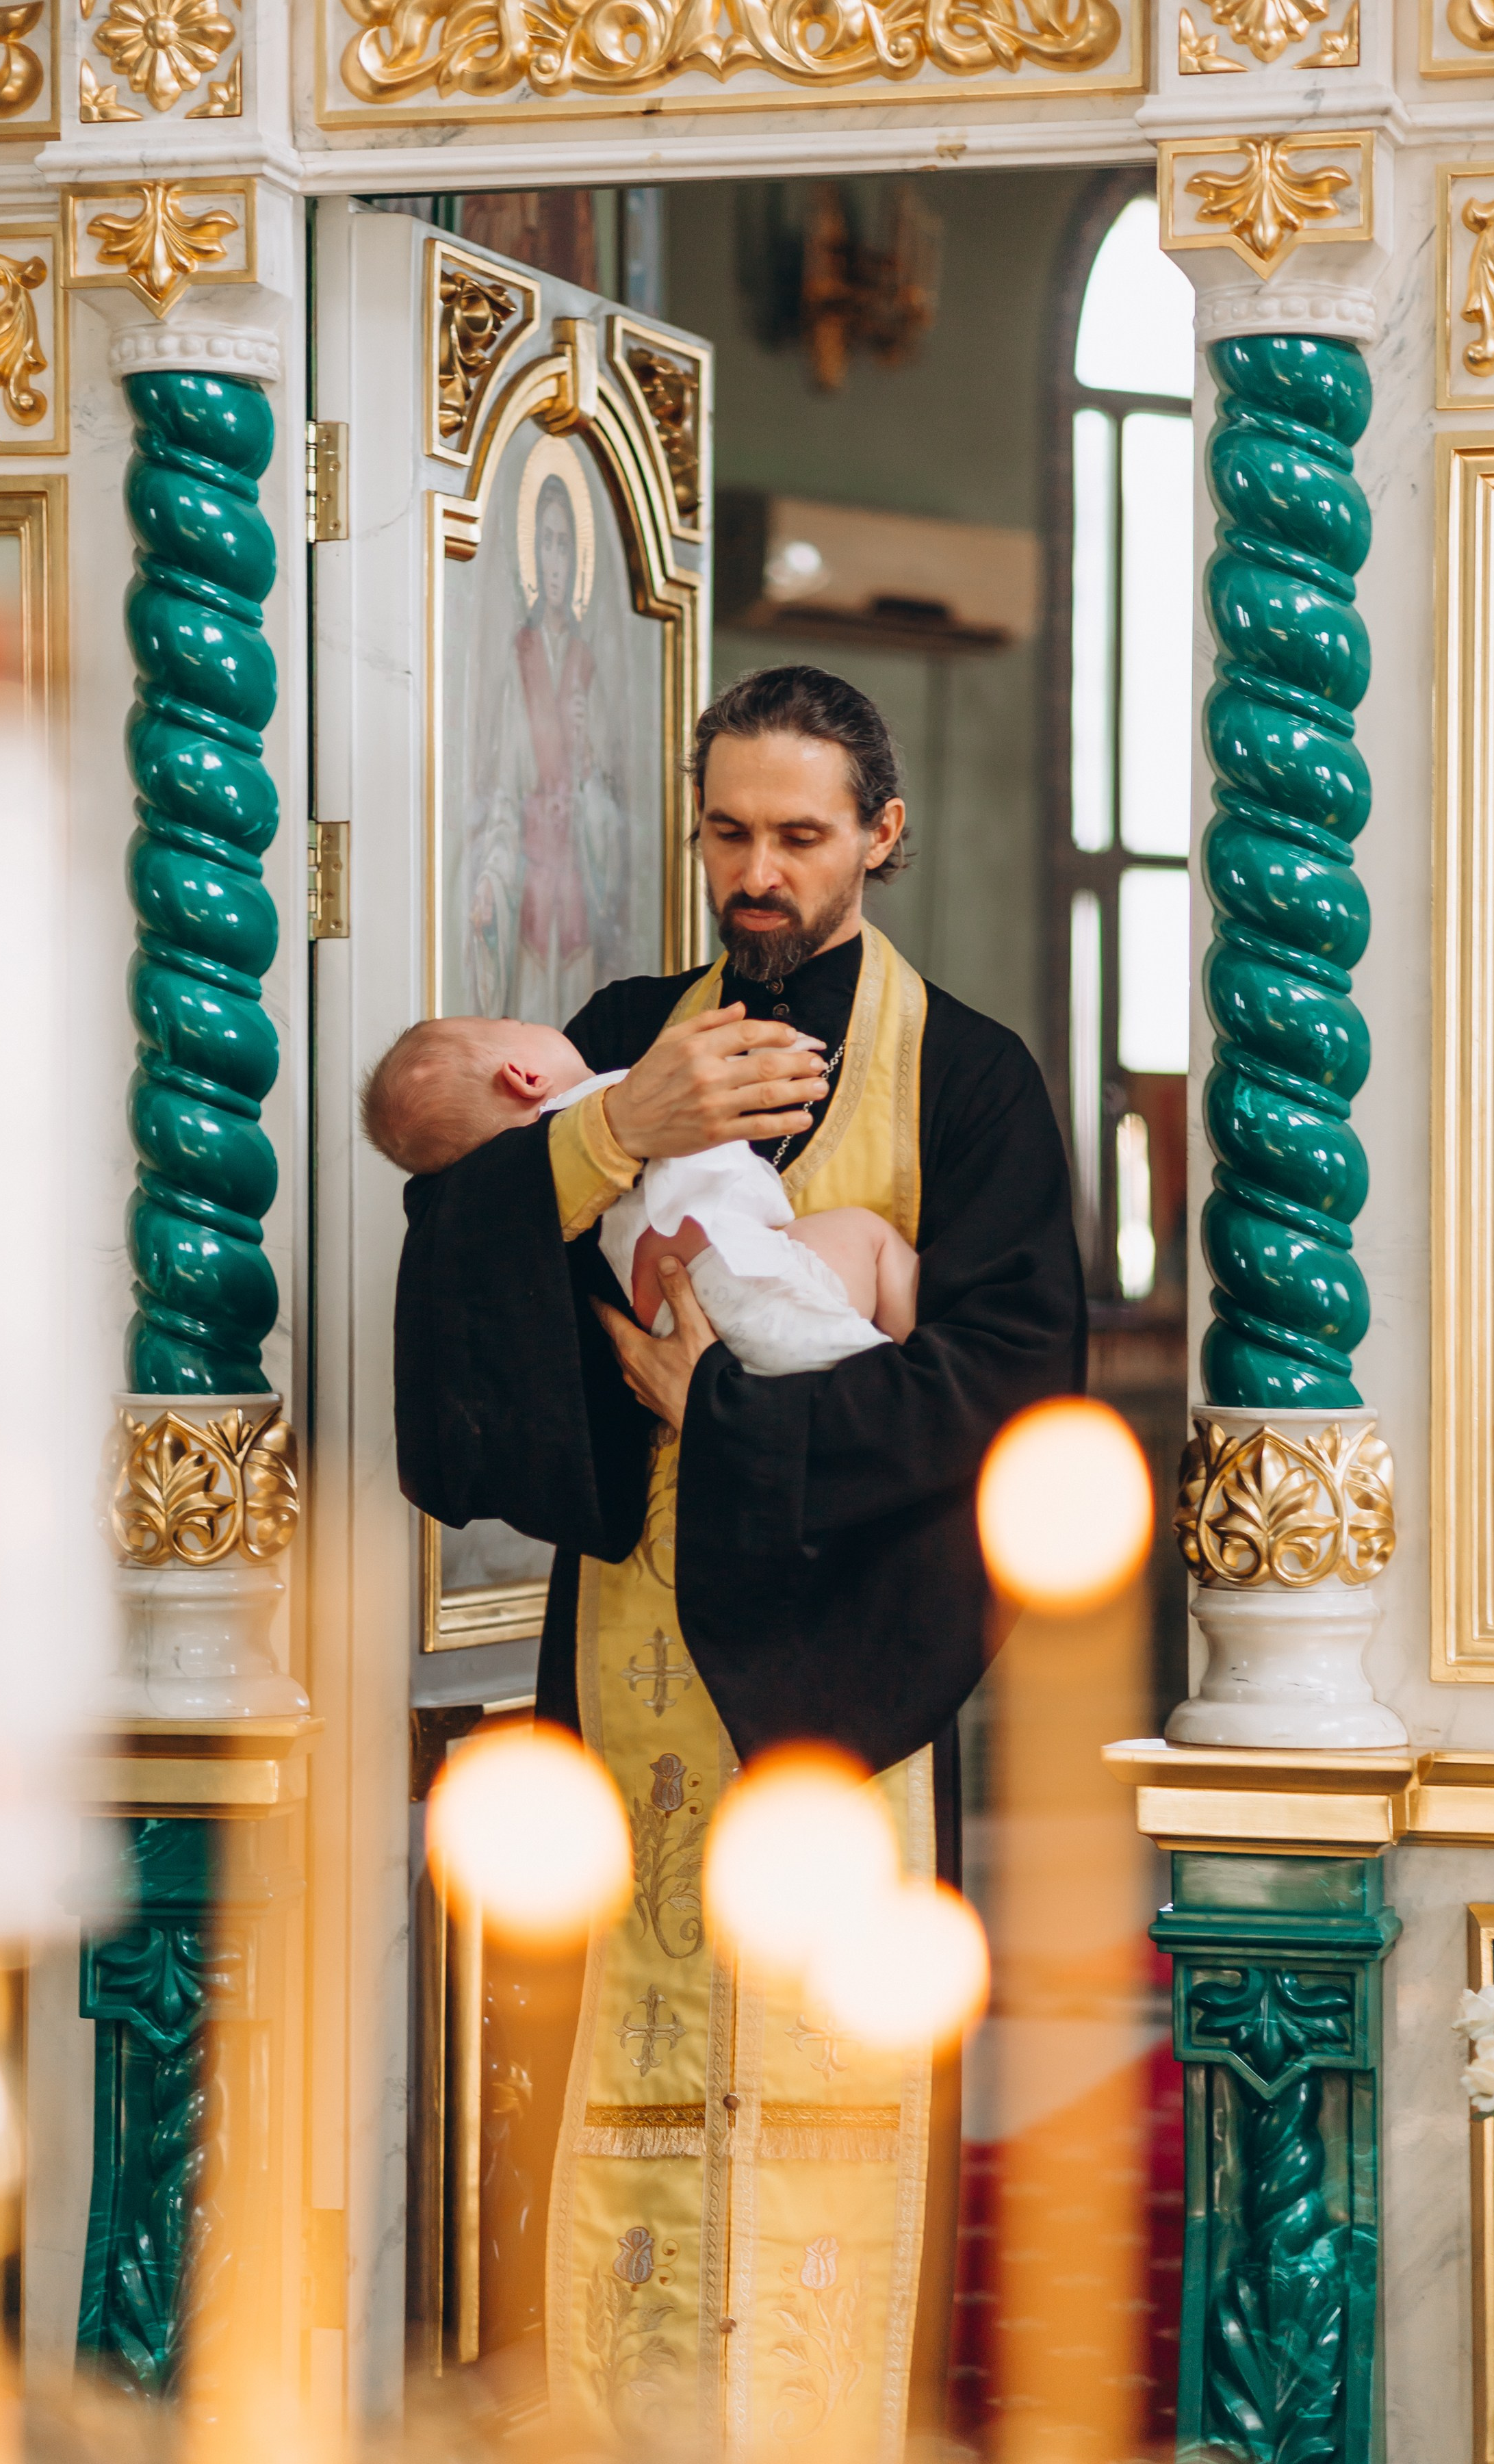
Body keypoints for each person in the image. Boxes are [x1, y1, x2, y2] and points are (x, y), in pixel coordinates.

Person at [391, 666, 1085, 2445]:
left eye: (798, 836)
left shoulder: (969, 1075)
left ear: (882, 836)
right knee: (605, 2085)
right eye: (726, 834)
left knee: (830, 2095)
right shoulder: (624, 1034)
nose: (756, 874)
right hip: (625, 1654)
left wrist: (731, 1411)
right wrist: (614, 1132)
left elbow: (1017, 1389)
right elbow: (466, 1284)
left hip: (851, 1661)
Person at [359, 1012, 919, 1374]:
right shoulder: (620, 1092)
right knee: (870, 1239)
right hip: (753, 1281)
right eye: (516, 1021)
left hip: (674, 1321)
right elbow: (717, 1076)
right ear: (524, 1077)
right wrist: (776, 1050)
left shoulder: (530, 1183)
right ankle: (910, 1341)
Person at [465, 470, 625, 1022]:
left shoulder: (587, 664)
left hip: (577, 889)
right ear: (532, 558)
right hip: (528, 884)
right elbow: (503, 793)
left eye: (564, 546)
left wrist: (587, 769)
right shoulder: (520, 657)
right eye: (546, 544)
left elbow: (610, 813)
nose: (555, 562)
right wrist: (490, 880)